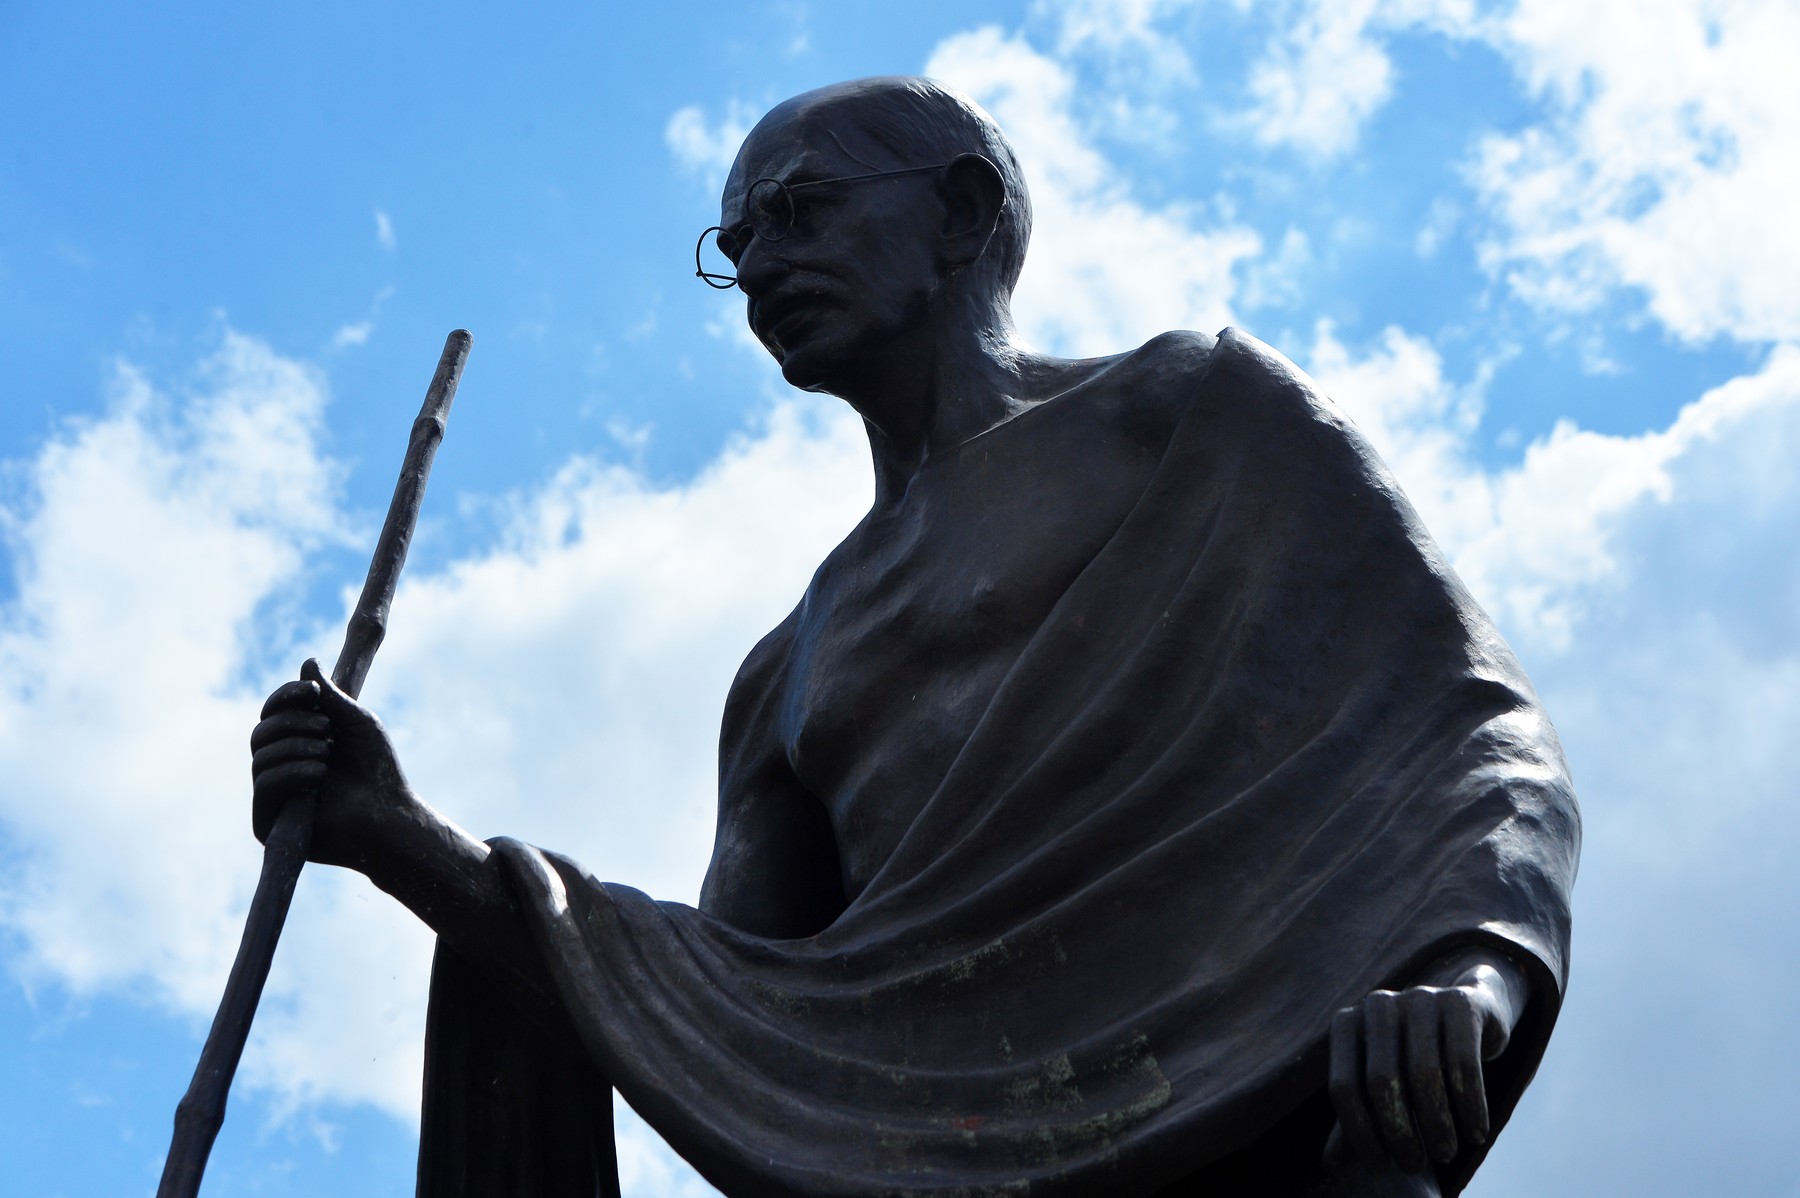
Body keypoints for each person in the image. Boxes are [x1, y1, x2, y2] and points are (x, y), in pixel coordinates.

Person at [251, 77, 1578, 1197]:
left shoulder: (1190, 417)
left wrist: (1468, 969)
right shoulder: (792, 666)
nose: (762, 265)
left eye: (801, 210)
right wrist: (402, 839)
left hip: (1246, 1078)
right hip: (951, 1157)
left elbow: (1474, 734)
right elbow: (748, 1027)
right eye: (736, 242)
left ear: (960, 212)